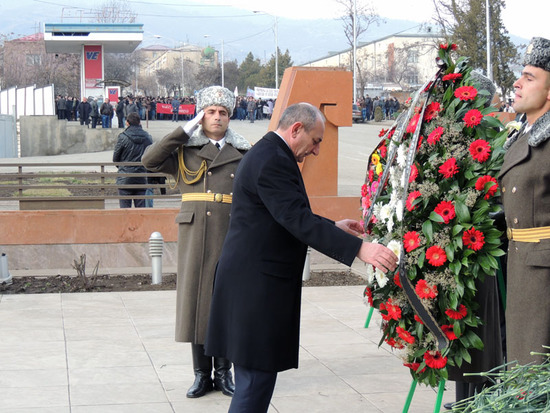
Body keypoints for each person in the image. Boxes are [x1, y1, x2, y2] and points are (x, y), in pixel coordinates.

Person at [204, 102, 398, 413]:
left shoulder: (271, 153)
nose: (317, 150)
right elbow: (296, 219)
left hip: (252, 284)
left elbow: (285, 214)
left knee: (255, 382)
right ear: (296, 129)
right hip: (255, 288)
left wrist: (331, 226)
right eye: (316, 140)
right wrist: (361, 249)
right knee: (254, 385)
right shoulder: (272, 159)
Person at [142, 86, 251, 399]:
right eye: (211, 112)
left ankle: (224, 374)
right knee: (196, 304)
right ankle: (202, 375)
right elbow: (149, 160)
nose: (217, 117)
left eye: (223, 112)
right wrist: (184, 129)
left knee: (226, 304)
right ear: (201, 114)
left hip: (230, 232)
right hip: (194, 233)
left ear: (230, 117)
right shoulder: (185, 149)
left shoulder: (242, 151)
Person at [498, 36, 550, 366]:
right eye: (521, 74)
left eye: (530, 78)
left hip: (542, 277)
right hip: (520, 265)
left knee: (534, 375)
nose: (518, 83)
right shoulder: (524, 133)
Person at [112, 112, 152, 208]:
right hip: (141, 176)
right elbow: (151, 156)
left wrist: (123, 166)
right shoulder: (147, 137)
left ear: (127, 123)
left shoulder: (123, 137)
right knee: (141, 211)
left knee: (125, 211)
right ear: (139, 123)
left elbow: (115, 158)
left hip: (125, 177)